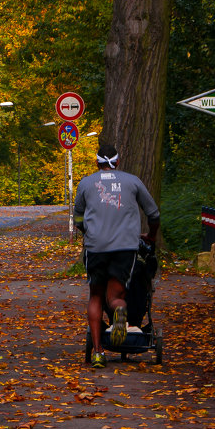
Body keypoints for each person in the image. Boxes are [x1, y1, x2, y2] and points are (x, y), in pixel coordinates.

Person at [73, 143, 160, 369]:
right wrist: (151, 236)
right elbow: (153, 213)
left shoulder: (86, 183)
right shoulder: (132, 182)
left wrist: (89, 233)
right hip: (125, 247)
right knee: (116, 294)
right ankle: (120, 310)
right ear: (118, 162)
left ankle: (99, 352)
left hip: (96, 247)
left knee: (96, 296)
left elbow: (78, 218)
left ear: (96, 162)